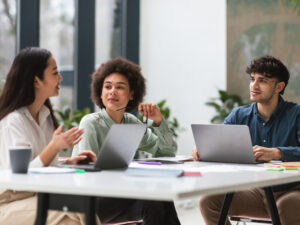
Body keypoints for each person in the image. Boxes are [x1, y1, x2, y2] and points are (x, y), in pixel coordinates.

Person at [72, 57, 181, 225]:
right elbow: (85, 173)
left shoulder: (131, 122)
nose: (112, 92)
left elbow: (166, 152)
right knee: (150, 202)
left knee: (162, 196)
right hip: (92, 200)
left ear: (131, 95)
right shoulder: (90, 123)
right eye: (107, 87)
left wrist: (159, 122)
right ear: (100, 93)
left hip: (121, 193)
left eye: (119, 87)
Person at [192, 55, 300, 225]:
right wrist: (205, 150)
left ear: (279, 87)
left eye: (262, 80)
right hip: (255, 192)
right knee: (208, 201)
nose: (254, 86)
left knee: (288, 206)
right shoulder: (239, 115)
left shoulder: (296, 114)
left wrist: (277, 152)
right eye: (252, 79)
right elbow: (219, 144)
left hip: (291, 190)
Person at [0, 47, 98, 225]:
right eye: (55, 72)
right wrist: (54, 146)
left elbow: (38, 164)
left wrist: (69, 162)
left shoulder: (45, 117)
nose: (60, 78)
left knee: (79, 214)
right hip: (7, 203)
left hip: (34, 197)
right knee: (81, 214)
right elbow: (19, 176)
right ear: (36, 80)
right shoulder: (13, 121)